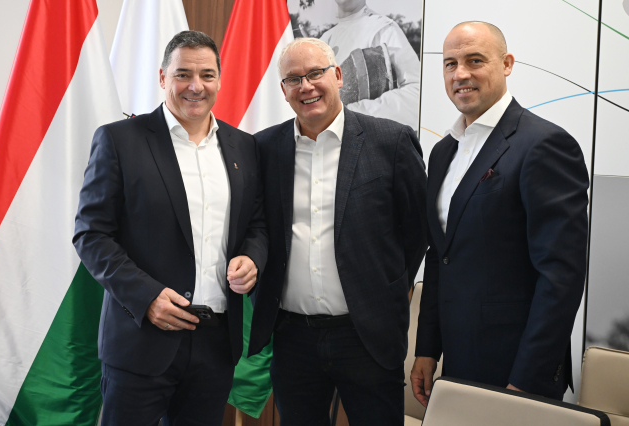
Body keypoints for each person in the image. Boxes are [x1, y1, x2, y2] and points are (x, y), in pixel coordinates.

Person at [73, 31, 268, 426]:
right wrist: (146, 297)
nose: (196, 86)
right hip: (140, 341)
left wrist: (253, 258)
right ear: (162, 77)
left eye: (207, 75)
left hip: (216, 343)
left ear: (219, 79)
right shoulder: (119, 140)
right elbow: (91, 234)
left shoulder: (244, 146)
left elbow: (257, 224)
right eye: (183, 74)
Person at [248, 38, 427, 425]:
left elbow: (417, 230)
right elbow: (256, 225)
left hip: (367, 335)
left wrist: (393, 286)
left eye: (316, 73)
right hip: (292, 337)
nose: (306, 86)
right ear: (283, 90)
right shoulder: (264, 148)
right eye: (293, 79)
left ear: (339, 76)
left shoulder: (391, 141)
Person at [411, 22, 589, 405]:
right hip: (457, 361)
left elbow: (561, 276)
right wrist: (427, 348)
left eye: (475, 60)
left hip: (516, 370)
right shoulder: (443, 152)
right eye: (450, 63)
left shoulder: (544, 144)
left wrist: (528, 378)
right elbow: (441, 256)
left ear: (506, 64)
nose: (460, 74)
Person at [320, 0, 421, 130]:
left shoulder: (384, 29)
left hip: (370, 139)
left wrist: (349, 115)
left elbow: (416, 95)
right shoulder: (324, 39)